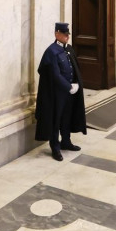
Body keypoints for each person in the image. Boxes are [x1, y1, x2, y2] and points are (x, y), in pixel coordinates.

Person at [34, 23, 87, 161]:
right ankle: (55, 147)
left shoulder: (68, 49)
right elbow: (54, 74)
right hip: (56, 94)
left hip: (69, 93)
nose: (67, 37)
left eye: (68, 34)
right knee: (55, 120)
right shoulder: (51, 51)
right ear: (56, 34)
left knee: (67, 118)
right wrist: (69, 86)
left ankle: (66, 142)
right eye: (64, 34)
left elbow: (74, 67)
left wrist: (76, 83)